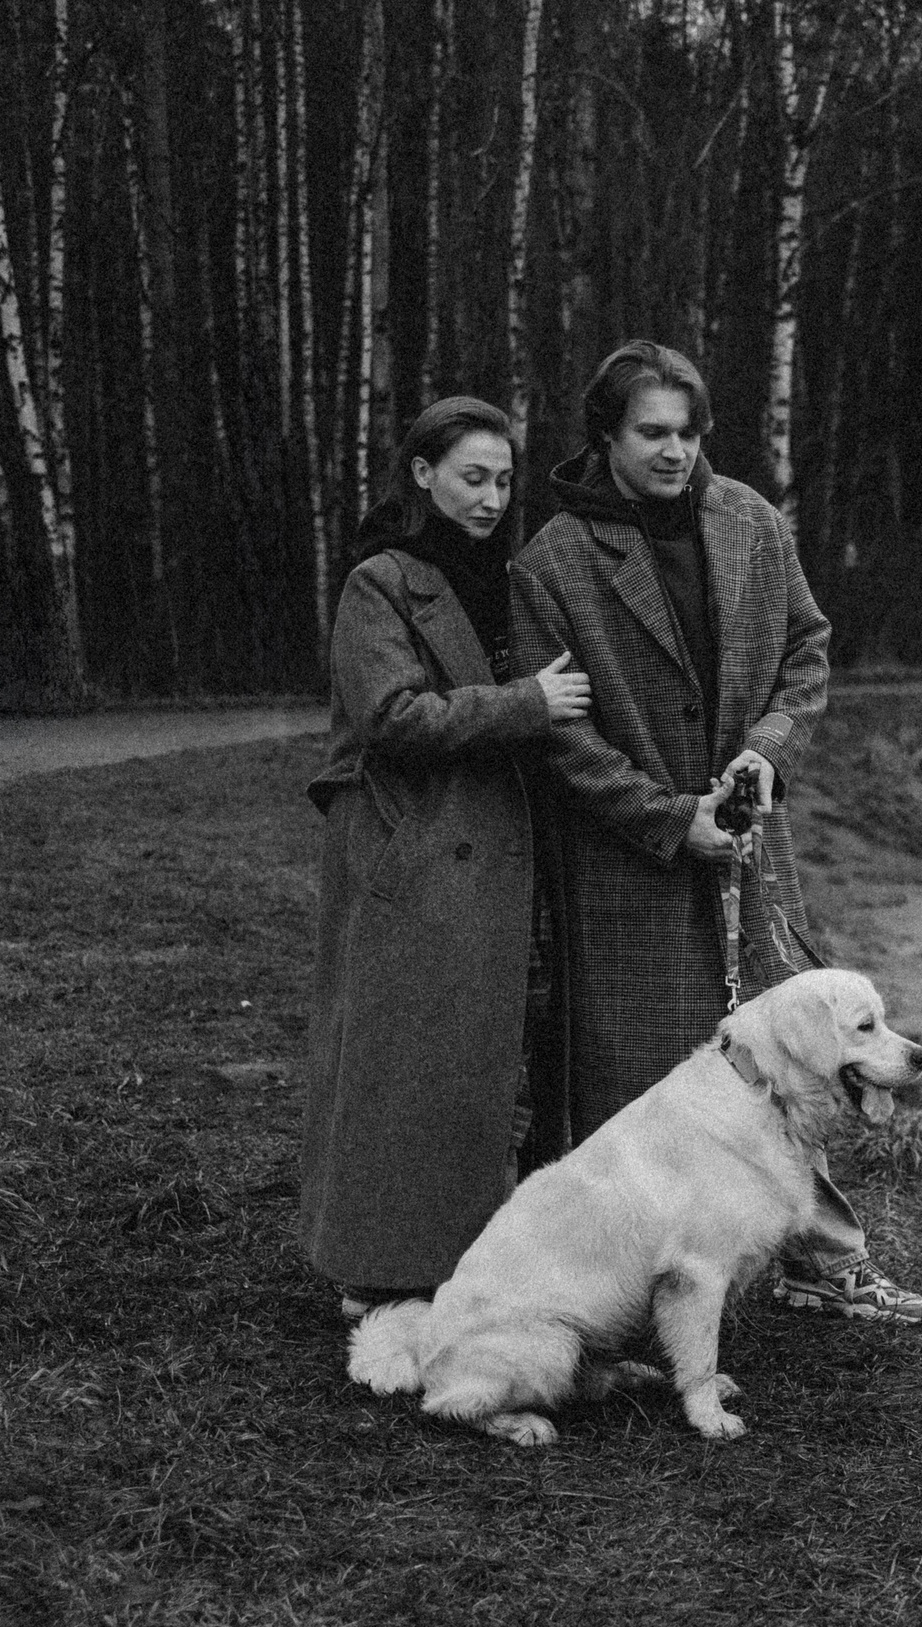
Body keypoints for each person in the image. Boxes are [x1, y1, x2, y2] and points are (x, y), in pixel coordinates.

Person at [511, 339, 922, 1324]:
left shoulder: (748, 520)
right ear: (605, 436)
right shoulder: (552, 563)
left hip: (747, 850)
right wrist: (668, 820)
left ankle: (822, 1262)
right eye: (650, 432)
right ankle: (626, 1294)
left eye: (689, 432)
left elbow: (806, 649)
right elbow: (558, 737)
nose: (673, 451)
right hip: (624, 866)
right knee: (641, 1084)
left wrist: (767, 752)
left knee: (790, 1062)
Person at [299, 397, 594, 1322]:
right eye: (473, 476)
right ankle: (379, 1270)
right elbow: (391, 716)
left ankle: (464, 1262)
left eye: (505, 481)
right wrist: (526, 705)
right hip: (414, 848)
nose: (493, 497)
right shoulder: (379, 582)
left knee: (479, 1062)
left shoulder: (508, 581)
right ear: (422, 473)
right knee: (402, 1060)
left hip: (492, 848)